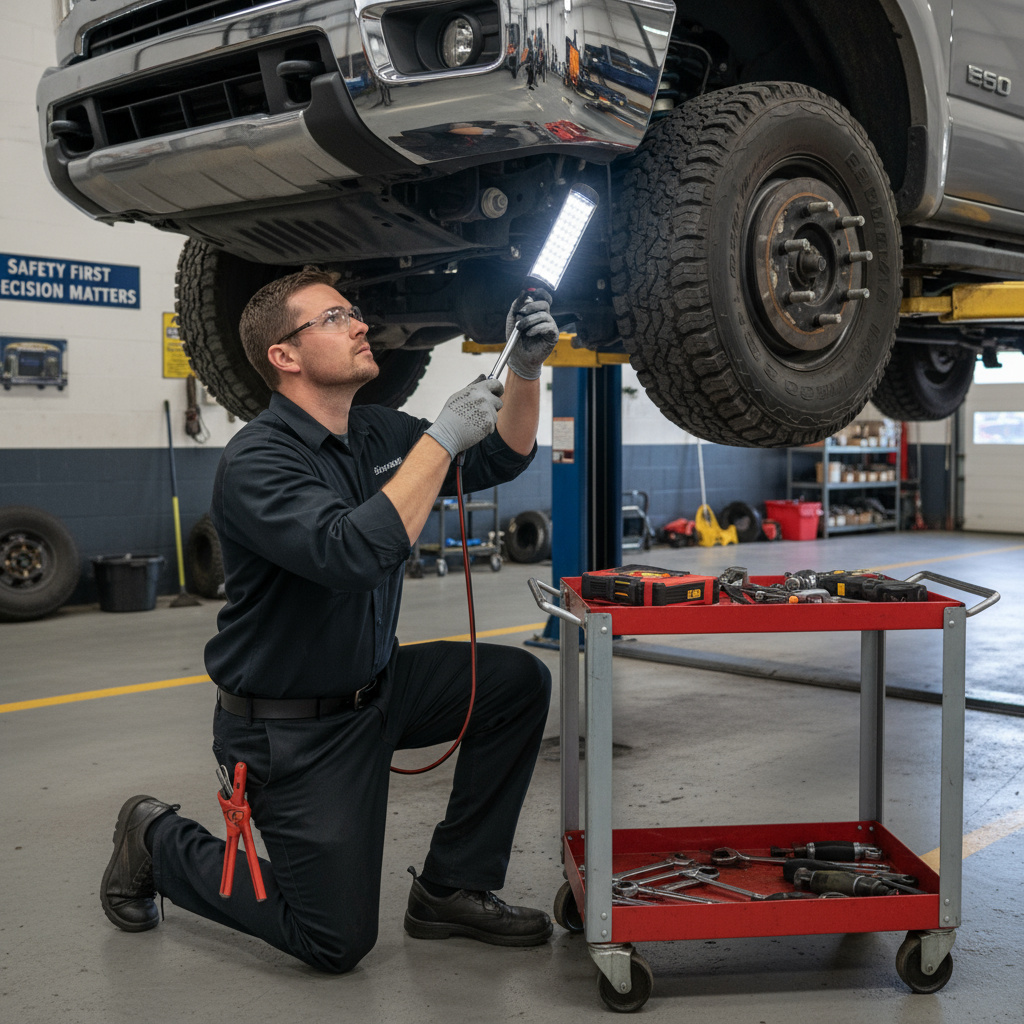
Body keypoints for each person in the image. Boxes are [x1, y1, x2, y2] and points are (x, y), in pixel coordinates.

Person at [100, 267, 561, 972]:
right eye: (336, 317)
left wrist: (525, 372)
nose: (360, 325)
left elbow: (500, 455)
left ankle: (451, 886)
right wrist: (439, 439)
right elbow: (352, 553)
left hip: (377, 687)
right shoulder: (258, 461)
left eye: (354, 313)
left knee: (515, 684)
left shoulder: (374, 430)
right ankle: (156, 838)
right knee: (334, 941)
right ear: (285, 356)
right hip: (292, 726)